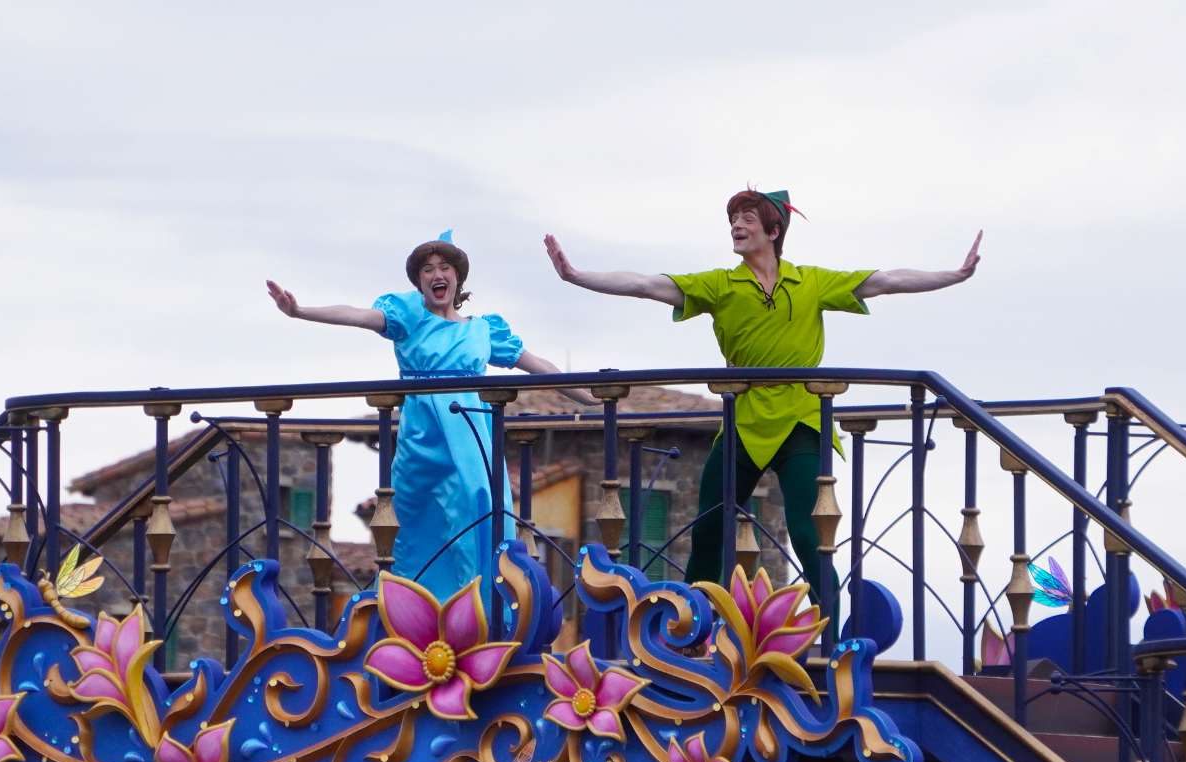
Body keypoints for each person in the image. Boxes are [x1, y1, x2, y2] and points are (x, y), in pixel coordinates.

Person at [544, 189, 981, 608]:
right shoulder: (720, 285)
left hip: (801, 420)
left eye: (747, 219)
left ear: (773, 231)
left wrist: (955, 275)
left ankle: (830, 634)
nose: (736, 225)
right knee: (708, 530)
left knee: (810, 534)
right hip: (744, 419)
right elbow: (644, 284)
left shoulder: (811, 282)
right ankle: (690, 630)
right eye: (733, 219)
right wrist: (576, 275)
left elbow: (886, 281)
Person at [268, 235, 596, 601]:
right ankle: (412, 609)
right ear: (419, 280)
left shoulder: (482, 329)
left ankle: (485, 609)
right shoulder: (409, 316)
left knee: (479, 517)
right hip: (422, 440)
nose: (437, 274)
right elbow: (359, 315)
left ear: (458, 277)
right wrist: (300, 311)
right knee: (414, 527)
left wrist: (588, 396)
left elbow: (537, 366)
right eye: (428, 269)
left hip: (471, 438)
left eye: (444, 267)